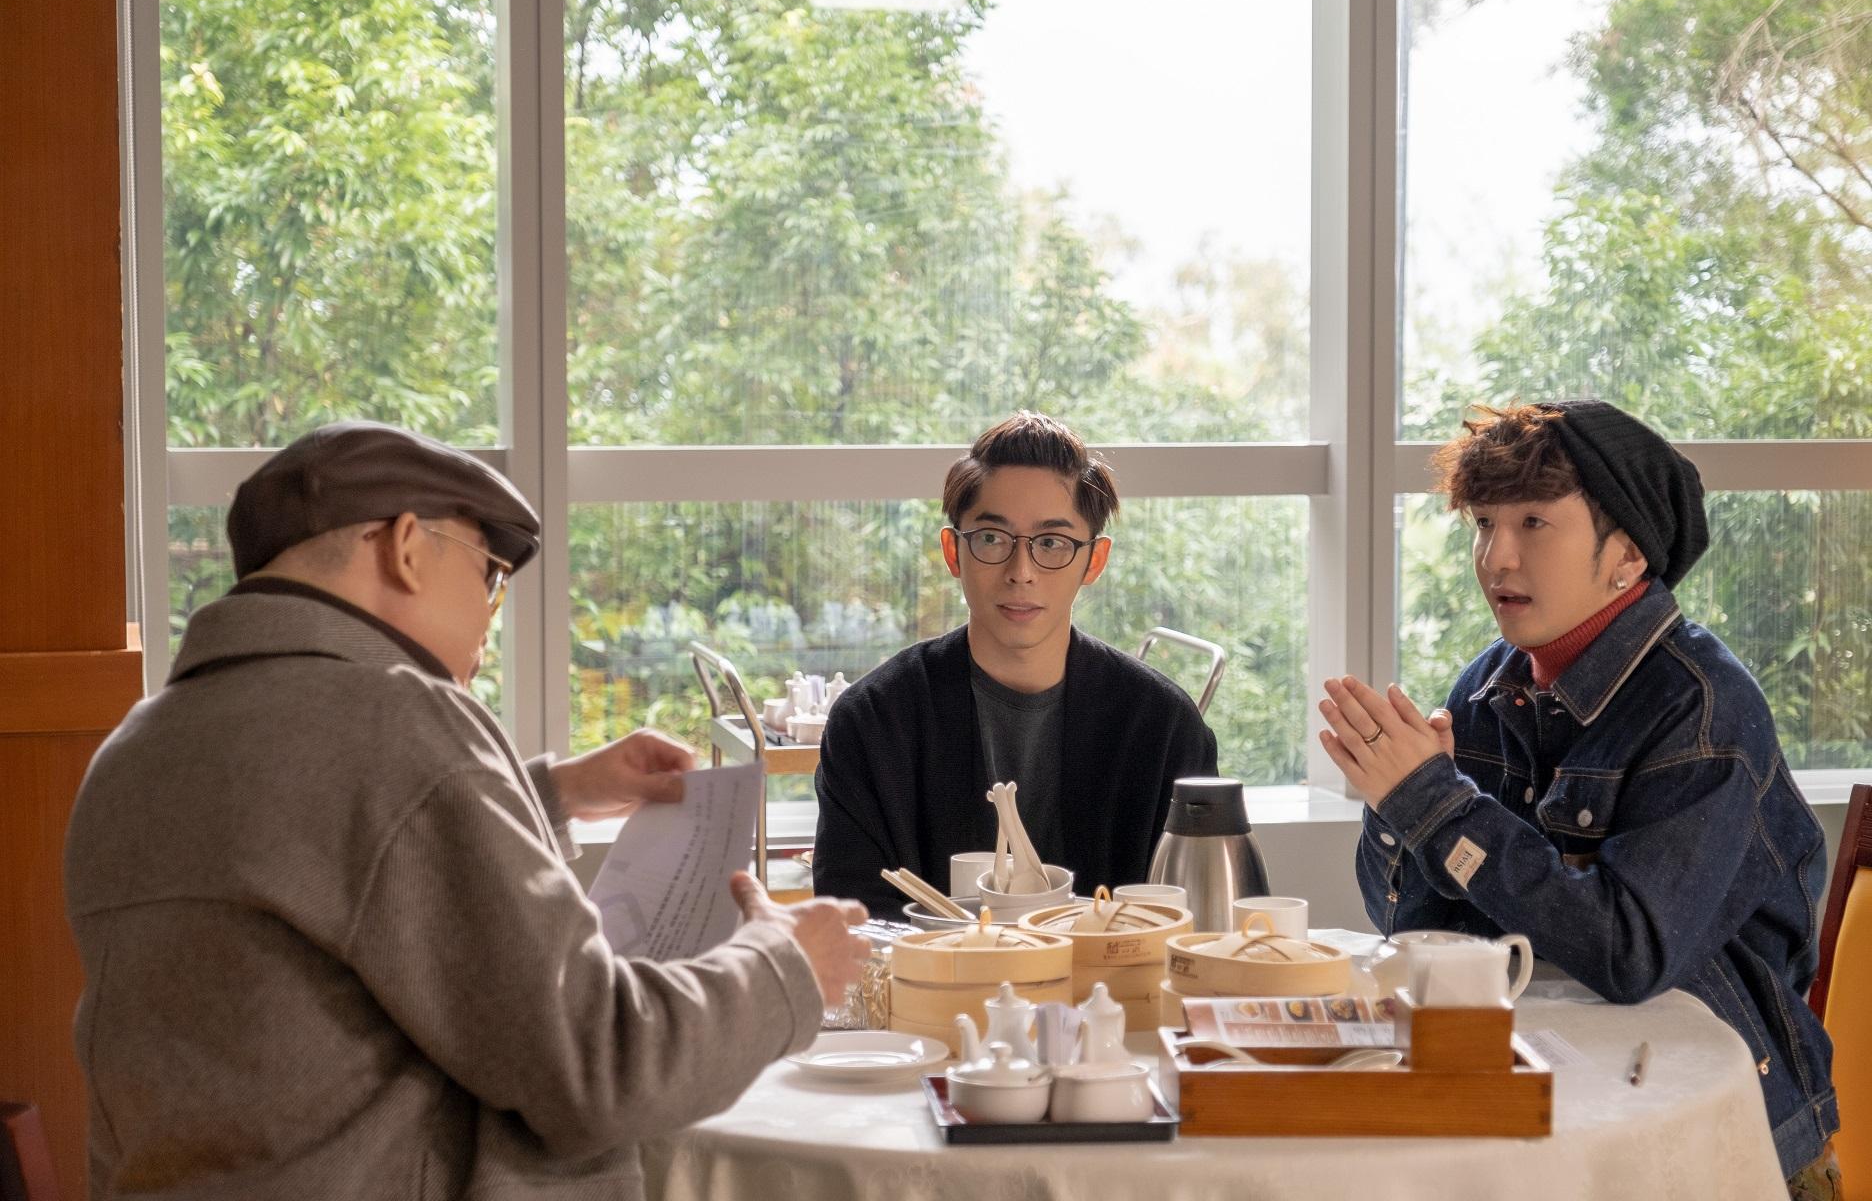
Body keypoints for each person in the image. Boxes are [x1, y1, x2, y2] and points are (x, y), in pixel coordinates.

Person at [64, 421, 871, 1200]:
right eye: (490, 574)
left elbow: (327, 876)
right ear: (406, 546)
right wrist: (783, 967)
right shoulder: (395, 718)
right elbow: (600, 1068)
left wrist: (548, 793)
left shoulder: (137, 748)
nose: (492, 612)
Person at [1318, 400, 1839, 1195]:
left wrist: (1438, 807)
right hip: (1544, 1097)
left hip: (1718, 1137)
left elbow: (1629, 956)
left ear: (1626, 552)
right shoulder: (1490, 683)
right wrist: (1398, 805)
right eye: (1484, 525)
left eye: (1533, 522)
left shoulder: (1702, 711)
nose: (1496, 557)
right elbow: (1419, 930)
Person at [812, 411, 1219, 917]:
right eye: (991, 538)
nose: (1020, 572)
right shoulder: (873, 721)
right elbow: (852, 924)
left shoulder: (1163, 724)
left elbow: (1202, 927)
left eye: (1052, 543)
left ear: (1094, 561)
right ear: (953, 552)